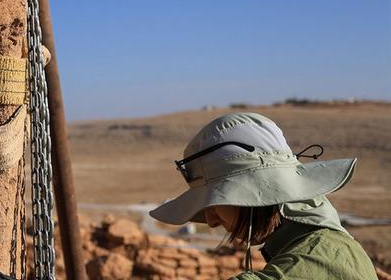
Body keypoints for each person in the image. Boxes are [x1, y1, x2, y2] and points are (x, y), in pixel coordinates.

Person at [150, 112, 378, 279]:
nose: (211, 221)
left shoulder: (315, 259)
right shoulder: (321, 246)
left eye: (214, 203)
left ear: (255, 193)